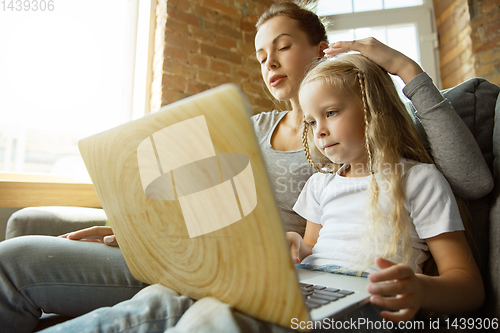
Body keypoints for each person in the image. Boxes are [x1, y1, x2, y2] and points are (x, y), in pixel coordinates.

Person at [0, 2, 492, 332]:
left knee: (185, 314)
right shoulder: (254, 127)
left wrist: (403, 69)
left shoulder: (377, 140)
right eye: (261, 56)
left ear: (323, 50)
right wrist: (134, 231)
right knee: (16, 255)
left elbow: (472, 181)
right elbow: (200, 209)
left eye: (282, 46)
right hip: (221, 268)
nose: (270, 62)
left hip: (286, 286)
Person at [288, 53, 484, 323]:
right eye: (311, 122)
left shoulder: (418, 180)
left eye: (330, 113)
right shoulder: (320, 184)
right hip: (313, 293)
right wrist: (296, 247)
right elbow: (311, 247)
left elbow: (469, 285)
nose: (319, 131)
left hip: (374, 304)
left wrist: (420, 289)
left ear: (373, 109)